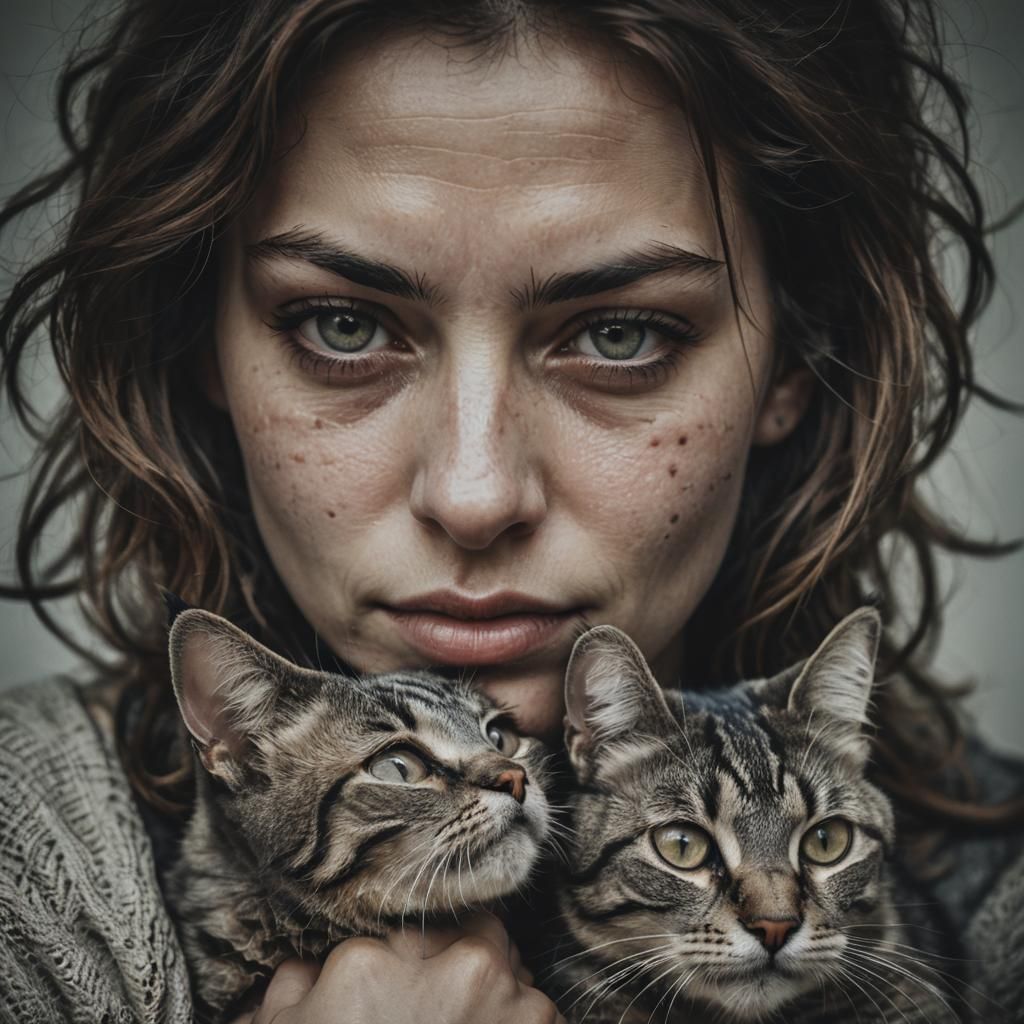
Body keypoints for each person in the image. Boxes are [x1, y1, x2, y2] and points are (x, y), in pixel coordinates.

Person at [1, 0, 1021, 1021]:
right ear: (197, 344)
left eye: (621, 334)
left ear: (796, 362)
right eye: (342, 324)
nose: (475, 494)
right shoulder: (28, 887)